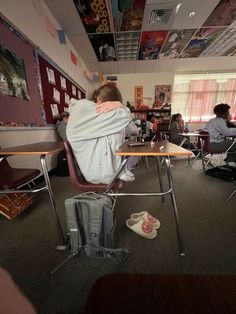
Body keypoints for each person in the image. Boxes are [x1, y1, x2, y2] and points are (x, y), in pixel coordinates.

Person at [66, 84, 135, 184]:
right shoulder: (83, 108)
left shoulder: (89, 112)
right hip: (98, 172)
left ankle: (122, 168)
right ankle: (120, 170)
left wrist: (118, 107)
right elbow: (124, 117)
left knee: (117, 127)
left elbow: (132, 130)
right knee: (115, 129)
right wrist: (119, 105)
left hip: (97, 166)